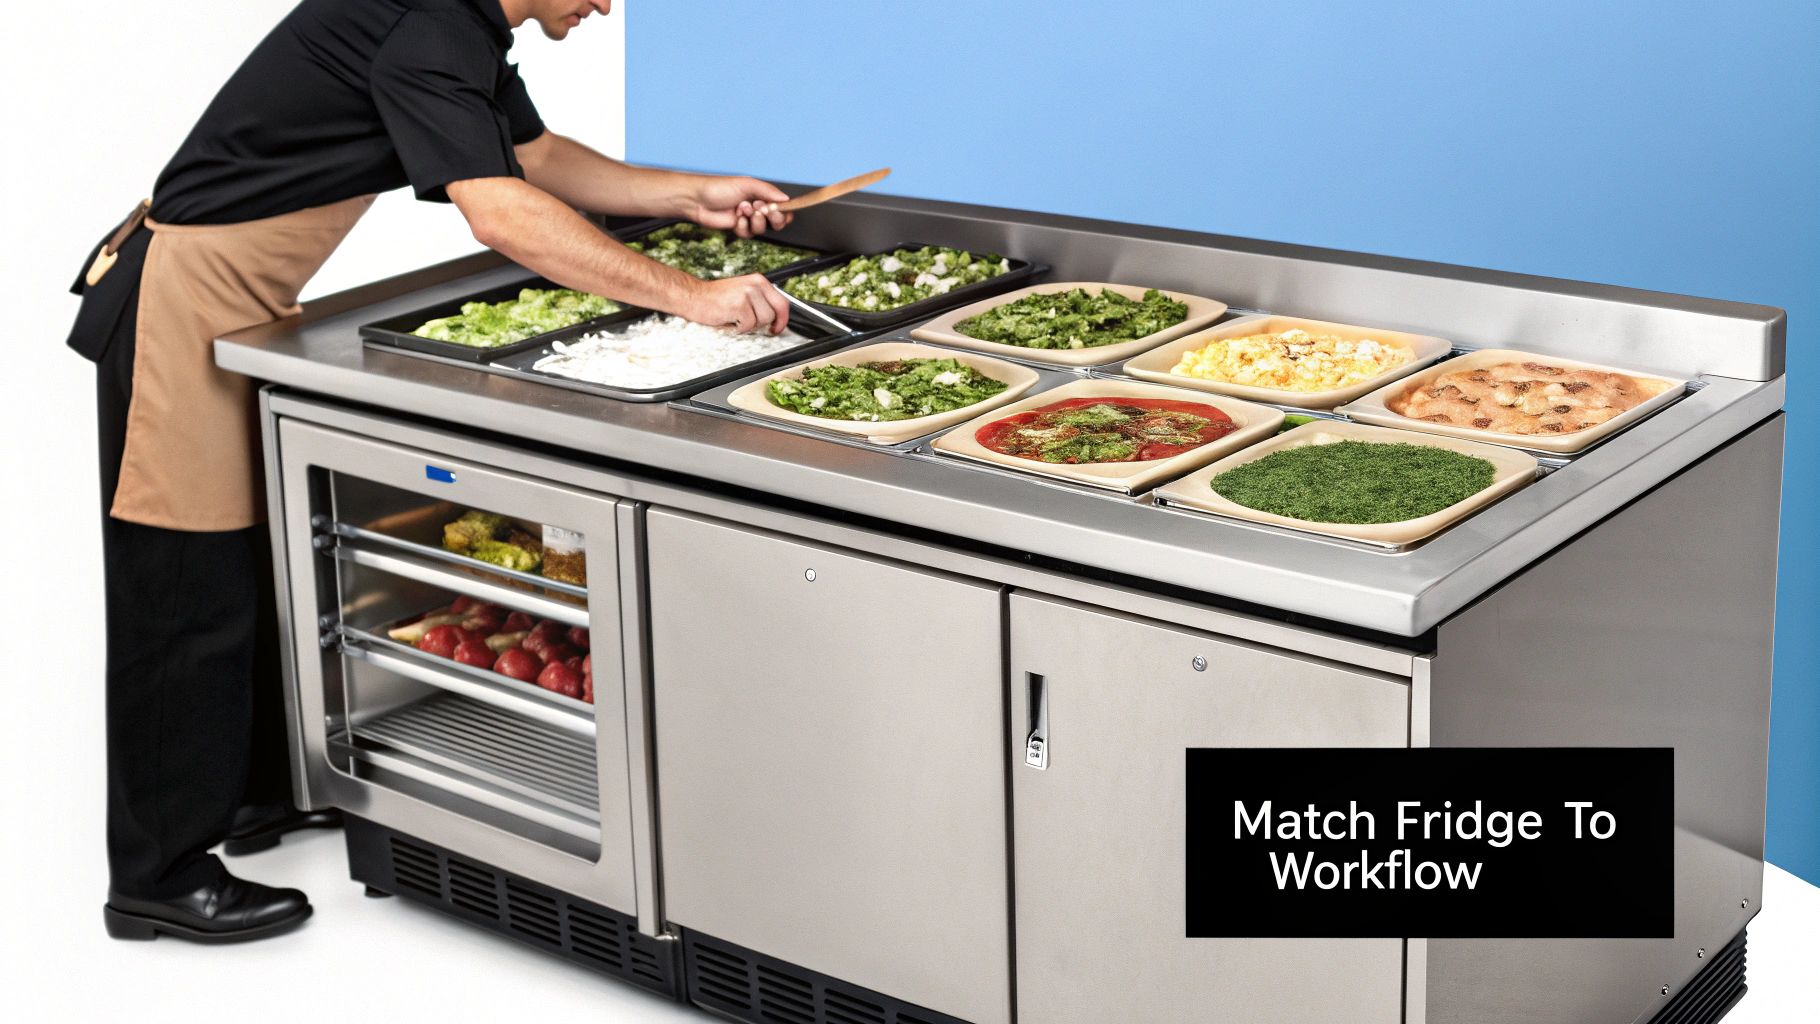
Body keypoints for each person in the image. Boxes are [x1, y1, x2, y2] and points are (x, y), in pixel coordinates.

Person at [67, 0, 796, 945]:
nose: (607, 4)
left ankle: (240, 803)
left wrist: (687, 195)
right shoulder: (430, 26)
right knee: (180, 582)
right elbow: (500, 211)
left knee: (246, 565)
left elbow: (533, 157)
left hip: (239, 300)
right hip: (183, 298)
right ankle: (157, 876)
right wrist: (691, 296)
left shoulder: (459, 26)